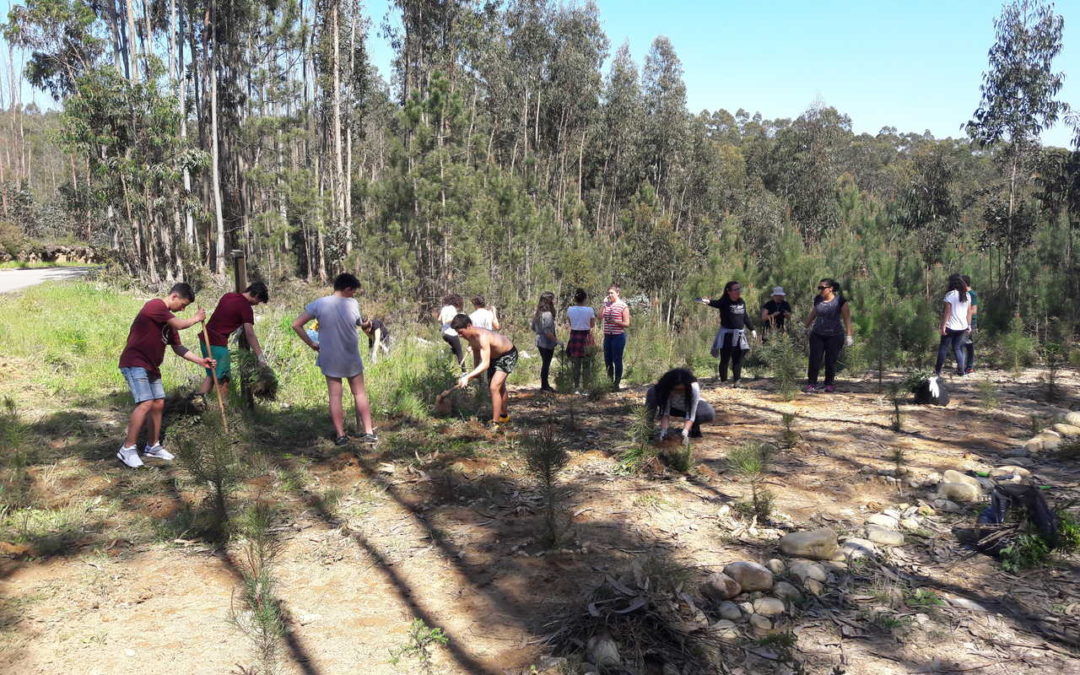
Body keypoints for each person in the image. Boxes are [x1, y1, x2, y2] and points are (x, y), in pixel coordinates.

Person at [117, 283, 215, 468]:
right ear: (174, 296)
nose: (183, 309)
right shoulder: (155, 306)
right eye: (183, 305)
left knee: (158, 402)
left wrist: (201, 361)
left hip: (152, 366)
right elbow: (181, 323)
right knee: (145, 403)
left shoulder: (169, 322)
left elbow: (178, 348)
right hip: (135, 362)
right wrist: (196, 318)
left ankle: (152, 446)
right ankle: (127, 449)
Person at [291, 273, 377, 446]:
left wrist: (312, 344)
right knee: (359, 393)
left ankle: (341, 435)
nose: (353, 295)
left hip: (330, 356)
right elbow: (359, 323)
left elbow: (296, 324)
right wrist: (366, 324)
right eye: (353, 291)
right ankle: (368, 432)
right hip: (350, 356)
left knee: (335, 396)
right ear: (347, 289)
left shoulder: (318, 304)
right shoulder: (352, 303)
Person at [195, 281, 269, 405]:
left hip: (205, 338)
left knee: (211, 376)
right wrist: (260, 356)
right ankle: (223, 411)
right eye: (259, 301)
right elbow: (250, 334)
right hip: (217, 344)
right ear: (256, 295)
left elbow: (226, 316)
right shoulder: (246, 308)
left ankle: (194, 406)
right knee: (223, 380)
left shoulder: (228, 296)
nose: (257, 304)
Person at [452, 314, 518, 428]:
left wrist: (467, 377)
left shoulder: (482, 336)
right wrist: (476, 374)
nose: (459, 335)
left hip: (507, 355)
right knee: (499, 387)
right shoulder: (469, 337)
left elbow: (485, 364)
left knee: (494, 387)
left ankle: (495, 423)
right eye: (457, 332)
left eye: (461, 332)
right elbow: (477, 355)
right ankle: (504, 416)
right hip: (494, 357)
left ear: (468, 326)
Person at [699, 281, 757, 387]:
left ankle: (737, 381)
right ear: (729, 291)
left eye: (739, 289)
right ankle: (724, 381)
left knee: (738, 358)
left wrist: (752, 329)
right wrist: (706, 301)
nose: (738, 291)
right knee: (725, 358)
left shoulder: (741, 302)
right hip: (727, 335)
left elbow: (745, 317)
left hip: (740, 335)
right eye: (735, 289)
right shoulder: (725, 302)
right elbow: (715, 303)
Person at [803, 278, 854, 393]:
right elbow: (814, 313)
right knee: (814, 360)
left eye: (822, 288)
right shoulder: (818, 299)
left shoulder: (840, 301)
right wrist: (805, 326)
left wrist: (849, 335)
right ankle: (811, 384)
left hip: (835, 335)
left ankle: (829, 384)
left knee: (830, 361)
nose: (820, 290)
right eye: (819, 288)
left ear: (830, 289)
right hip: (817, 334)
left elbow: (847, 319)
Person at [645, 368, 715, 443]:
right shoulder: (665, 389)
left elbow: (691, 414)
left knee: (708, 413)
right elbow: (666, 412)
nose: (679, 392)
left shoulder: (693, 387)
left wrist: (685, 432)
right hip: (673, 408)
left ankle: (693, 429)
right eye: (676, 390)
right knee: (652, 392)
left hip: (687, 408)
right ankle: (647, 430)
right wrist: (663, 431)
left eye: (682, 390)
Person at [934, 273, 973, 377]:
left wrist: (943, 325)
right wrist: (969, 325)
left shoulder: (950, 295)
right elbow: (969, 312)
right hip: (962, 326)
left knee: (943, 348)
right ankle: (961, 371)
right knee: (957, 348)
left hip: (950, 325)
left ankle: (937, 371)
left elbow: (947, 312)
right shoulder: (967, 295)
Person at [565, 288, 597, 394]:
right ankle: (586, 388)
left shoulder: (570, 309)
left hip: (574, 335)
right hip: (586, 335)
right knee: (587, 363)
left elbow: (570, 323)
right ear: (585, 298)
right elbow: (592, 325)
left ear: (575, 298)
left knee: (576, 363)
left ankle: (576, 387)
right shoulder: (590, 310)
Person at [601, 284, 631, 390]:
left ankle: (616, 383)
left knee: (617, 360)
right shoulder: (607, 304)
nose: (609, 295)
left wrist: (615, 321)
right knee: (607, 360)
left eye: (612, 293)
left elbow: (627, 323)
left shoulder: (623, 305)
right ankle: (609, 383)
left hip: (618, 336)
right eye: (608, 293)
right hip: (607, 336)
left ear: (618, 293)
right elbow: (600, 317)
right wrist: (604, 304)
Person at [531, 291, 558, 392]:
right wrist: (557, 341)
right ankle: (544, 386)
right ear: (549, 301)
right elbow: (547, 332)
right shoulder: (547, 314)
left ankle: (545, 385)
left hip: (539, 341)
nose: (553, 301)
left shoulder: (538, 313)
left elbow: (533, 327)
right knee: (546, 364)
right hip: (546, 342)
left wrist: (540, 331)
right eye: (552, 299)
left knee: (545, 363)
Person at [439, 294, 466, 370]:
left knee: (454, 350)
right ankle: (464, 372)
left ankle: (445, 354)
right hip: (451, 333)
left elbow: (439, 319)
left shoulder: (444, 308)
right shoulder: (452, 309)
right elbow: (453, 319)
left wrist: (444, 324)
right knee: (460, 354)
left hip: (444, 333)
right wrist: (459, 316)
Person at [962, 275, 978, 374]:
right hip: (963, 321)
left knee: (966, 344)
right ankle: (966, 366)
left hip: (969, 322)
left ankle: (968, 367)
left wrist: (963, 315)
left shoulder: (971, 294)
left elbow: (974, 310)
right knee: (966, 344)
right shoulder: (964, 294)